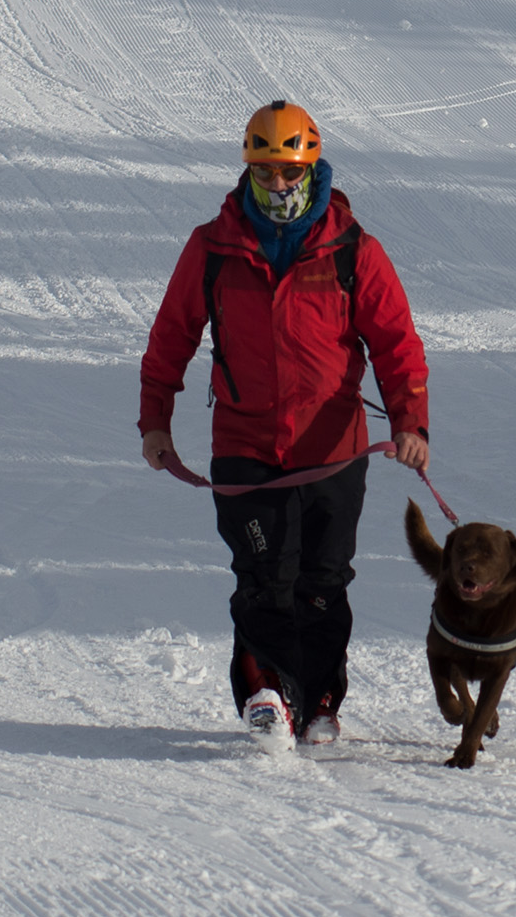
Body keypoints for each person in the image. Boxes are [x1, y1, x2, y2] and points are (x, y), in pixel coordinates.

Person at [139, 101, 432, 743]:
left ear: (311, 167)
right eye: (265, 171)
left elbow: (396, 344)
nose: (277, 186)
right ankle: (269, 696)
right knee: (265, 577)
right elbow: (171, 337)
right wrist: (155, 421)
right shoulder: (212, 248)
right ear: (248, 167)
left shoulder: (355, 250)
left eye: (288, 172)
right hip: (246, 445)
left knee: (323, 582)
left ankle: (321, 700)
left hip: (334, 448)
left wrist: (411, 422)